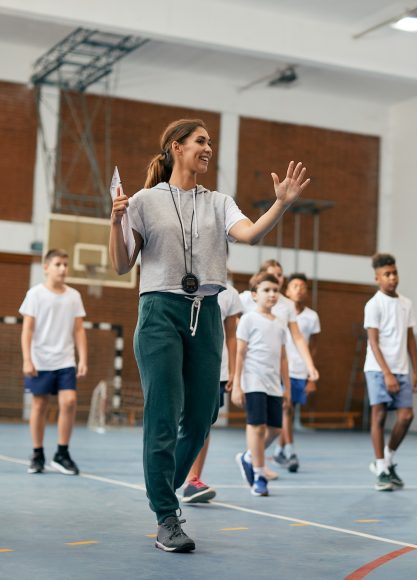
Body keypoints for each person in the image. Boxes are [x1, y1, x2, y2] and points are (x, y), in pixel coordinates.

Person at [109, 118, 310, 553]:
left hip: (207, 312)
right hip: (160, 310)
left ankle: (165, 489)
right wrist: (115, 222)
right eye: (200, 141)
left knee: (201, 419)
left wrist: (281, 205)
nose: (208, 148)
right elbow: (122, 265)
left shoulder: (220, 202)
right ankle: (166, 513)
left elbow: (251, 233)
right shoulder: (143, 201)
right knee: (163, 415)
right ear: (175, 148)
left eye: (210, 142)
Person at [20, 249, 88, 476]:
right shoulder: (35, 294)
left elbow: (79, 330)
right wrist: (27, 359)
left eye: (65, 264)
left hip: (65, 359)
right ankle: (37, 453)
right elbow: (27, 329)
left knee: (69, 402)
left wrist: (83, 359)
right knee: (39, 405)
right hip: (40, 361)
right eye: (58, 264)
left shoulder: (74, 296)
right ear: (46, 267)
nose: (62, 268)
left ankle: (62, 453)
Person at [363, 253, 417, 492]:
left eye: (394, 273)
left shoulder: (406, 304)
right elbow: (373, 343)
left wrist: (416, 370)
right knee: (379, 417)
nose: (392, 277)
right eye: (387, 274)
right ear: (377, 278)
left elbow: (410, 339)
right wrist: (386, 373)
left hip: (402, 369)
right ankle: (381, 469)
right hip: (377, 370)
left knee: (406, 416)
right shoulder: (373, 305)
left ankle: (387, 458)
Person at [180, 281, 241, 504]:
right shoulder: (182, 282)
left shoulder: (230, 293)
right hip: (184, 362)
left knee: (203, 423)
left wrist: (234, 370)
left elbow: (232, 335)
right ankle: (175, 475)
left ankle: (193, 480)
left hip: (215, 367)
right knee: (182, 419)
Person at [231, 273, 291, 497]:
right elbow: (240, 353)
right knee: (257, 427)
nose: (272, 294)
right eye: (266, 290)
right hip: (253, 380)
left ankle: (248, 456)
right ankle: (259, 475)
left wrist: (287, 387)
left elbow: (284, 357)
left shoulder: (280, 323)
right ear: (254, 295)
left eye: (275, 290)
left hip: (274, 383)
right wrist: (237, 384)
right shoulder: (248, 319)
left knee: (275, 429)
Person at [275, 273, 320, 473]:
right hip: (282, 369)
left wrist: (311, 376)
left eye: (303, 286)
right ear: (287, 290)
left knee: (289, 412)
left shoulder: (312, 317)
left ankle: (278, 450)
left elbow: (314, 348)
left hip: (301, 372)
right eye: (294, 286)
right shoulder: (280, 312)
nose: (299, 289)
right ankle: (290, 451)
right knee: (286, 409)